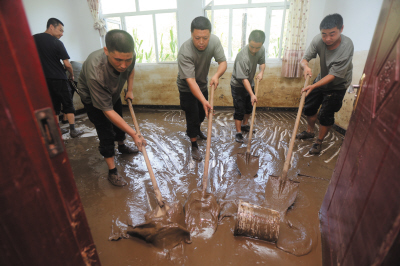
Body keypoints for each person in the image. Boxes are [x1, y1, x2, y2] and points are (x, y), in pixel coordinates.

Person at [77, 29, 146, 187]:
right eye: (118, 60)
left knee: (119, 120)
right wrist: (135, 134)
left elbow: (130, 69)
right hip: (93, 98)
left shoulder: (129, 57)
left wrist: (129, 90)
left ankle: (121, 146)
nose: (123, 65)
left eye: (127, 59)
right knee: (105, 129)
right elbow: (106, 110)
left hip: (113, 93)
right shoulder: (96, 71)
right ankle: (112, 171)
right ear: (106, 50)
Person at [298, 13, 353, 154]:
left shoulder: (347, 46)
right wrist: (306, 67)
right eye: (324, 34)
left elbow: (334, 75)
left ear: (341, 29)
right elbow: (304, 59)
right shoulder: (318, 40)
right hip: (321, 79)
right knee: (309, 107)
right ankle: (310, 132)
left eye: (332, 34)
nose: (327, 38)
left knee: (326, 114)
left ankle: (318, 141)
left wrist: (314, 85)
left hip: (337, 85)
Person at [177, 16, 227, 161]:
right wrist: (205, 101)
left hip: (202, 84)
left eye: (205, 38)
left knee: (201, 115)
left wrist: (217, 75)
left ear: (210, 34)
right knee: (192, 115)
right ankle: (194, 145)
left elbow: (222, 62)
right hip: (187, 87)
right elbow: (190, 82)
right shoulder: (185, 51)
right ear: (191, 33)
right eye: (197, 37)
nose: (201, 42)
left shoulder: (214, 41)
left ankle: (197, 131)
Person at [33, 18, 84, 138]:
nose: (62, 33)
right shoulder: (57, 43)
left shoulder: (33, 39)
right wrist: (71, 75)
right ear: (51, 27)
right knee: (67, 103)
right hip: (59, 78)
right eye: (60, 30)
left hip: (43, 79)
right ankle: (73, 130)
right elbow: (67, 64)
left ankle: (57, 130)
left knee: (53, 104)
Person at [230, 30, 266, 143]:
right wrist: (252, 94)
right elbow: (243, 79)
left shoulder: (261, 49)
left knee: (249, 108)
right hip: (238, 85)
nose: (254, 50)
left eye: (257, 48)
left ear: (261, 45)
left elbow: (262, 63)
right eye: (252, 47)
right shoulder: (242, 57)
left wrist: (261, 72)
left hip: (250, 83)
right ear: (248, 42)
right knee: (240, 109)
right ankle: (238, 132)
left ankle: (245, 125)